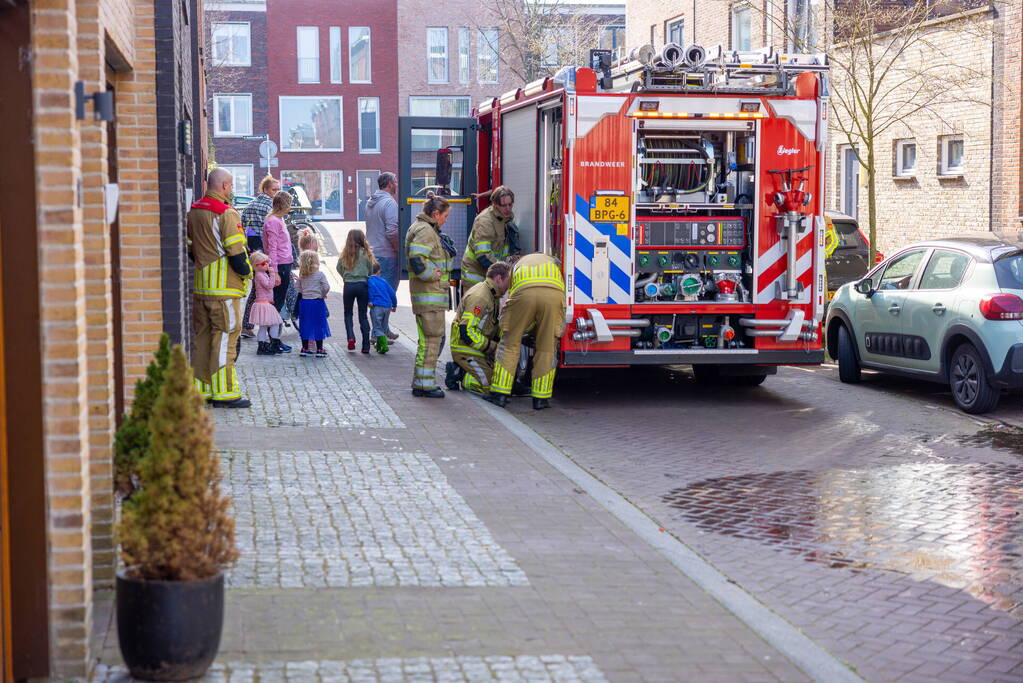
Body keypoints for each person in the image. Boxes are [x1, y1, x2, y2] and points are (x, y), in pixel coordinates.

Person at [187, 167, 252, 408]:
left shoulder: (194, 211)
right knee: (225, 338)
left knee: (202, 338)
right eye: (231, 186)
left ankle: (201, 389)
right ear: (224, 186)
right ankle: (224, 392)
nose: (231, 190)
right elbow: (236, 253)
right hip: (224, 289)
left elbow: (190, 249)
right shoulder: (226, 214)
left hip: (201, 287)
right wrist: (247, 273)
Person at [487, 252, 565, 411]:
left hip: (524, 292)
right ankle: (540, 400)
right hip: (554, 295)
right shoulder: (552, 262)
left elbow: (517, 309)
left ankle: (500, 395)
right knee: (547, 347)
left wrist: (517, 330)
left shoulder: (517, 267)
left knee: (509, 344)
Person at [406, 195, 455, 398]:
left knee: (428, 340)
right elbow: (417, 259)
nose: (445, 220)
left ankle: (421, 382)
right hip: (430, 297)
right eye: (444, 216)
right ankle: (426, 385)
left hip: (427, 297)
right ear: (435, 214)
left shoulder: (420, 227)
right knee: (432, 340)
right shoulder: (426, 231)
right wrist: (430, 274)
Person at [445, 261, 512, 395]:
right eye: (508, 282)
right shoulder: (481, 297)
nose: (509, 287)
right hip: (466, 349)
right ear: (498, 279)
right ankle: (461, 374)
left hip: (475, 348)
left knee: (503, 380)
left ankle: (464, 369)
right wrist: (492, 347)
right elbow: (467, 331)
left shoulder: (491, 294)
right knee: (493, 385)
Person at [241, 175, 281, 337]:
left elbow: (243, 227)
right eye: (274, 190)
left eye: (278, 190)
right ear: (265, 189)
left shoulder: (248, 206)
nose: (277, 193)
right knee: (268, 288)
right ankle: (272, 326)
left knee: (257, 289)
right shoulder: (271, 208)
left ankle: (247, 324)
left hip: (252, 251)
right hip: (266, 251)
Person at [461, 185, 517, 294]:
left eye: (510, 204)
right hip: (476, 279)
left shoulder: (505, 218)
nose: (508, 209)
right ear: (494, 204)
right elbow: (483, 256)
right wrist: (505, 271)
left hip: (492, 277)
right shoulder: (485, 221)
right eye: (503, 205)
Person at [261, 190, 295, 352]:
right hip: (279, 266)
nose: (291, 207)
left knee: (278, 304)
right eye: (290, 203)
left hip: (284, 265)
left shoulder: (276, 220)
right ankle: (273, 340)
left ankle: (274, 339)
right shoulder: (274, 221)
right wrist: (274, 272)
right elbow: (272, 248)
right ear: (285, 204)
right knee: (277, 305)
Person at [336, 229, 376, 354]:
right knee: (363, 314)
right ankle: (365, 345)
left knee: (348, 313)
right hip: (362, 285)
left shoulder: (345, 254)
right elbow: (371, 270)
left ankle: (351, 337)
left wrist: (346, 276)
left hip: (348, 285)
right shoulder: (366, 253)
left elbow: (338, 267)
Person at [365, 172, 400, 292]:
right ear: (389, 184)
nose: (397, 184)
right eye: (395, 182)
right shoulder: (389, 203)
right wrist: (399, 250)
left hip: (372, 253)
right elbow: (392, 232)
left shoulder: (370, 202)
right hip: (387, 256)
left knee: (376, 295)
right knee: (385, 297)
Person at [247, 251, 285, 355]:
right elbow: (268, 286)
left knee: (265, 326)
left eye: (267, 262)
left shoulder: (262, 273)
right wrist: (272, 274)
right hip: (264, 304)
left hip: (265, 303)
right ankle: (272, 344)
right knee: (274, 323)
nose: (267, 265)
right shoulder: (259, 275)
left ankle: (263, 345)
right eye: (263, 264)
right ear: (256, 266)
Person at [296, 249, 331, 358]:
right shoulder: (320, 274)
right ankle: (319, 348)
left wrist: (305, 292)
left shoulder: (302, 275)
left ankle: (304, 348)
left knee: (305, 324)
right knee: (318, 325)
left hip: (305, 303)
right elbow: (326, 287)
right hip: (317, 302)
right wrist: (322, 294)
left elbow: (297, 287)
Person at [367, 262, 398, 354]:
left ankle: (383, 346)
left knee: (377, 326)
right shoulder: (384, 281)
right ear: (379, 272)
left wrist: (370, 300)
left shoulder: (368, 281)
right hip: (387, 306)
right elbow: (392, 293)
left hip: (376, 306)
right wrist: (394, 305)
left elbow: (369, 291)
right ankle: (379, 346)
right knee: (383, 326)